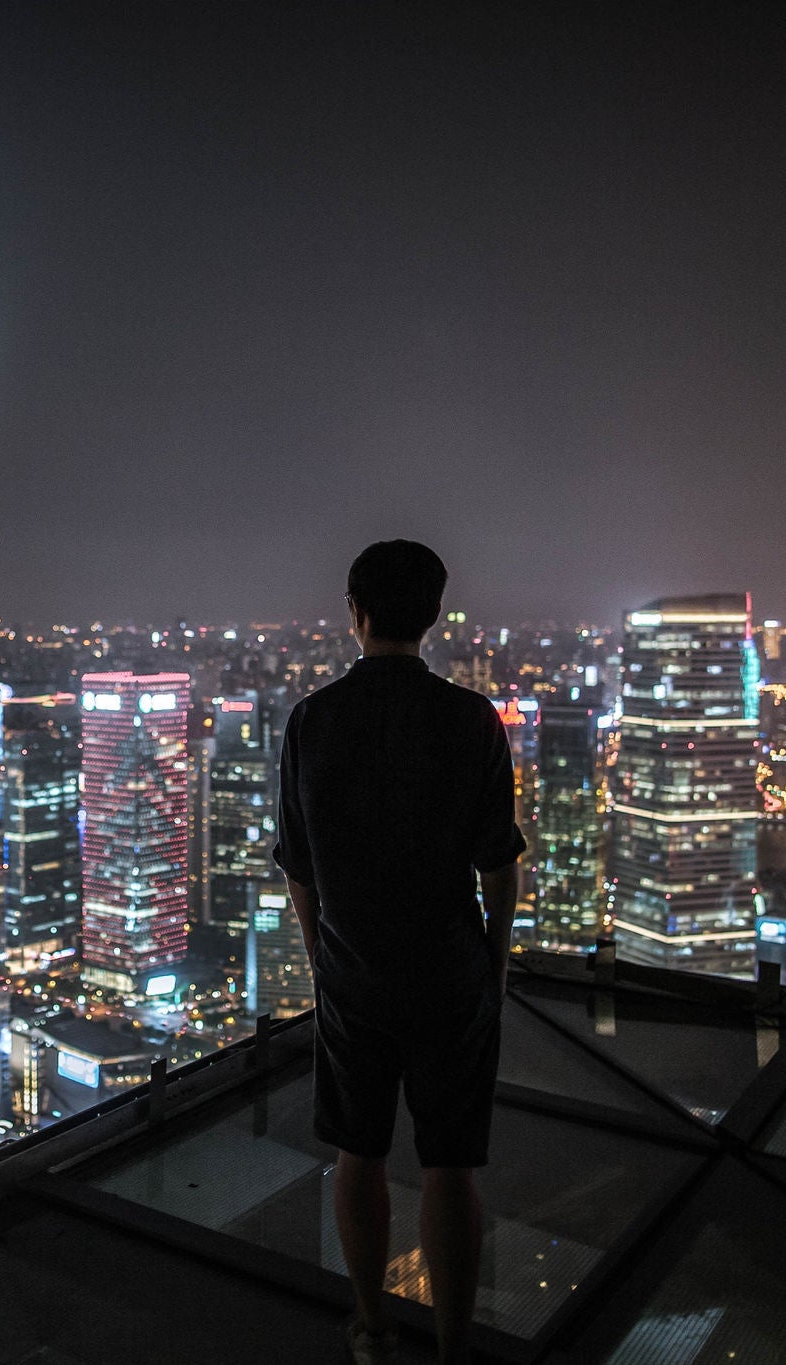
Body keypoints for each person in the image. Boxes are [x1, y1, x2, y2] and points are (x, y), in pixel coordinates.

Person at [271, 539, 525, 1365]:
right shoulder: (471, 719)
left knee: (360, 1152)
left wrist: (322, 952)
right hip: (450, 972)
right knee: (451, 1165)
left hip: (354, 974)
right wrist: (494, 960)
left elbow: (299, 866)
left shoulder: (312, 720)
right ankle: (453, 1348)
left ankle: (373, 1327)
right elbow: (498, 863)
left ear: (355, 612)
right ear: (435, 615)